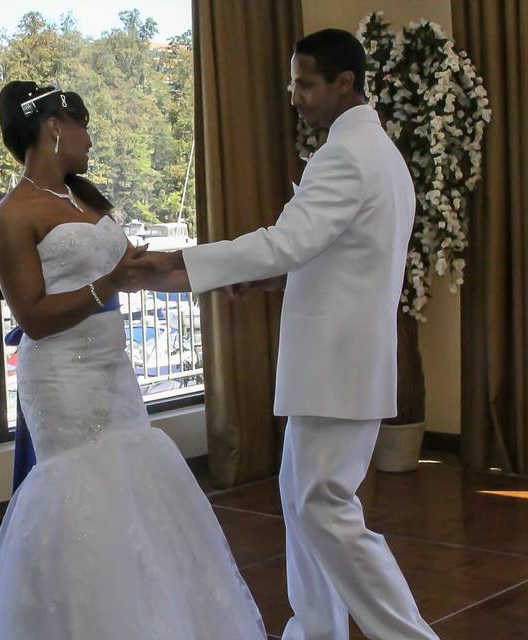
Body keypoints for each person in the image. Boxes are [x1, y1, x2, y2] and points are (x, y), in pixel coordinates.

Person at [135, 29, 439, 640]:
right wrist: (273, 283)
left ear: (344, 83)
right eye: (292, 82)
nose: (294, 95)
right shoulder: (378, 152)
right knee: (302, 501)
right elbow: (341, 256)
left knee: (323, 508)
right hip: (339, 365)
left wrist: (183, 263)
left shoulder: (345, 155)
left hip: (336, 366)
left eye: (305, 83)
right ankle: (316, 631)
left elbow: (285, 242)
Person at [0, 80, 265, 640]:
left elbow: (145, 270)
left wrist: (220, 278)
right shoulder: (12, 215)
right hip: (61, 378)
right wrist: (106, 284)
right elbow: (32, 316)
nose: (90, 139)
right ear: (56, 126)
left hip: (112, 373)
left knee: (136, 491)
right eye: (83, 125)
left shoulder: (86, 202)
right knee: (84, 498)